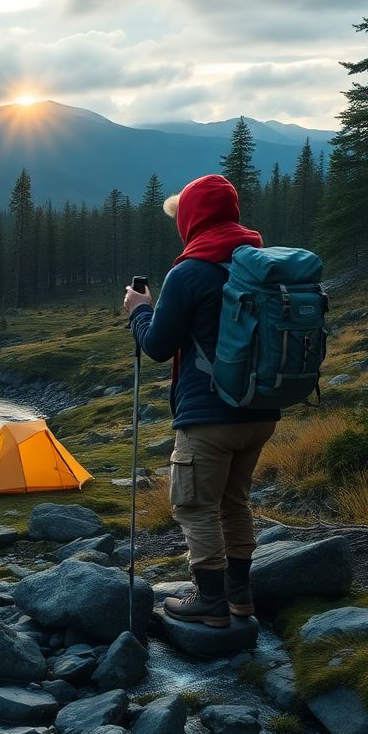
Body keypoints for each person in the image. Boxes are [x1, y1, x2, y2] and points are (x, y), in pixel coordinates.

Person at [124, 174, 280, 628]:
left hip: (209, 416)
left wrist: (139, 310)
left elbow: (156, 346)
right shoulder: (258, 263)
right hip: (261, 412)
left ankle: (209, 601)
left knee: (194, 505)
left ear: (192, 218)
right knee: (234, 503)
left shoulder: (189, 271)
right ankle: (240, 598)